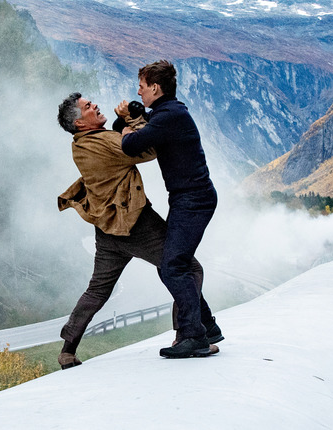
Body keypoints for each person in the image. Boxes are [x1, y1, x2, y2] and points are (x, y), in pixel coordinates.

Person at [55, 92, 223, 369]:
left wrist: (124, 124)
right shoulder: (106, 142)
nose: (94, 105)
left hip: (107, 230)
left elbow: (123, 144)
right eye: (87, 107)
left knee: (97, 290)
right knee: (185, 268)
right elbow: (148, 149)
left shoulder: (81, 146)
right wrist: (135, 119)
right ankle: (189, 335)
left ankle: (67, 350)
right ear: (80, 123)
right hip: (136, 226)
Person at [119, 60, 219, 359]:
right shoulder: (168, 113)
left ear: (155, 87)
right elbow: (144, 125)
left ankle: (194, 337)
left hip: (193, 200)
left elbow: (131, 145)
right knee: (175, 264)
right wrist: (130, 117)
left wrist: (125, 128)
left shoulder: (169, 117)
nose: (138, 90)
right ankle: (207, 328)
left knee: (172, 266)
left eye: (141, 85)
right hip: (189, 198)